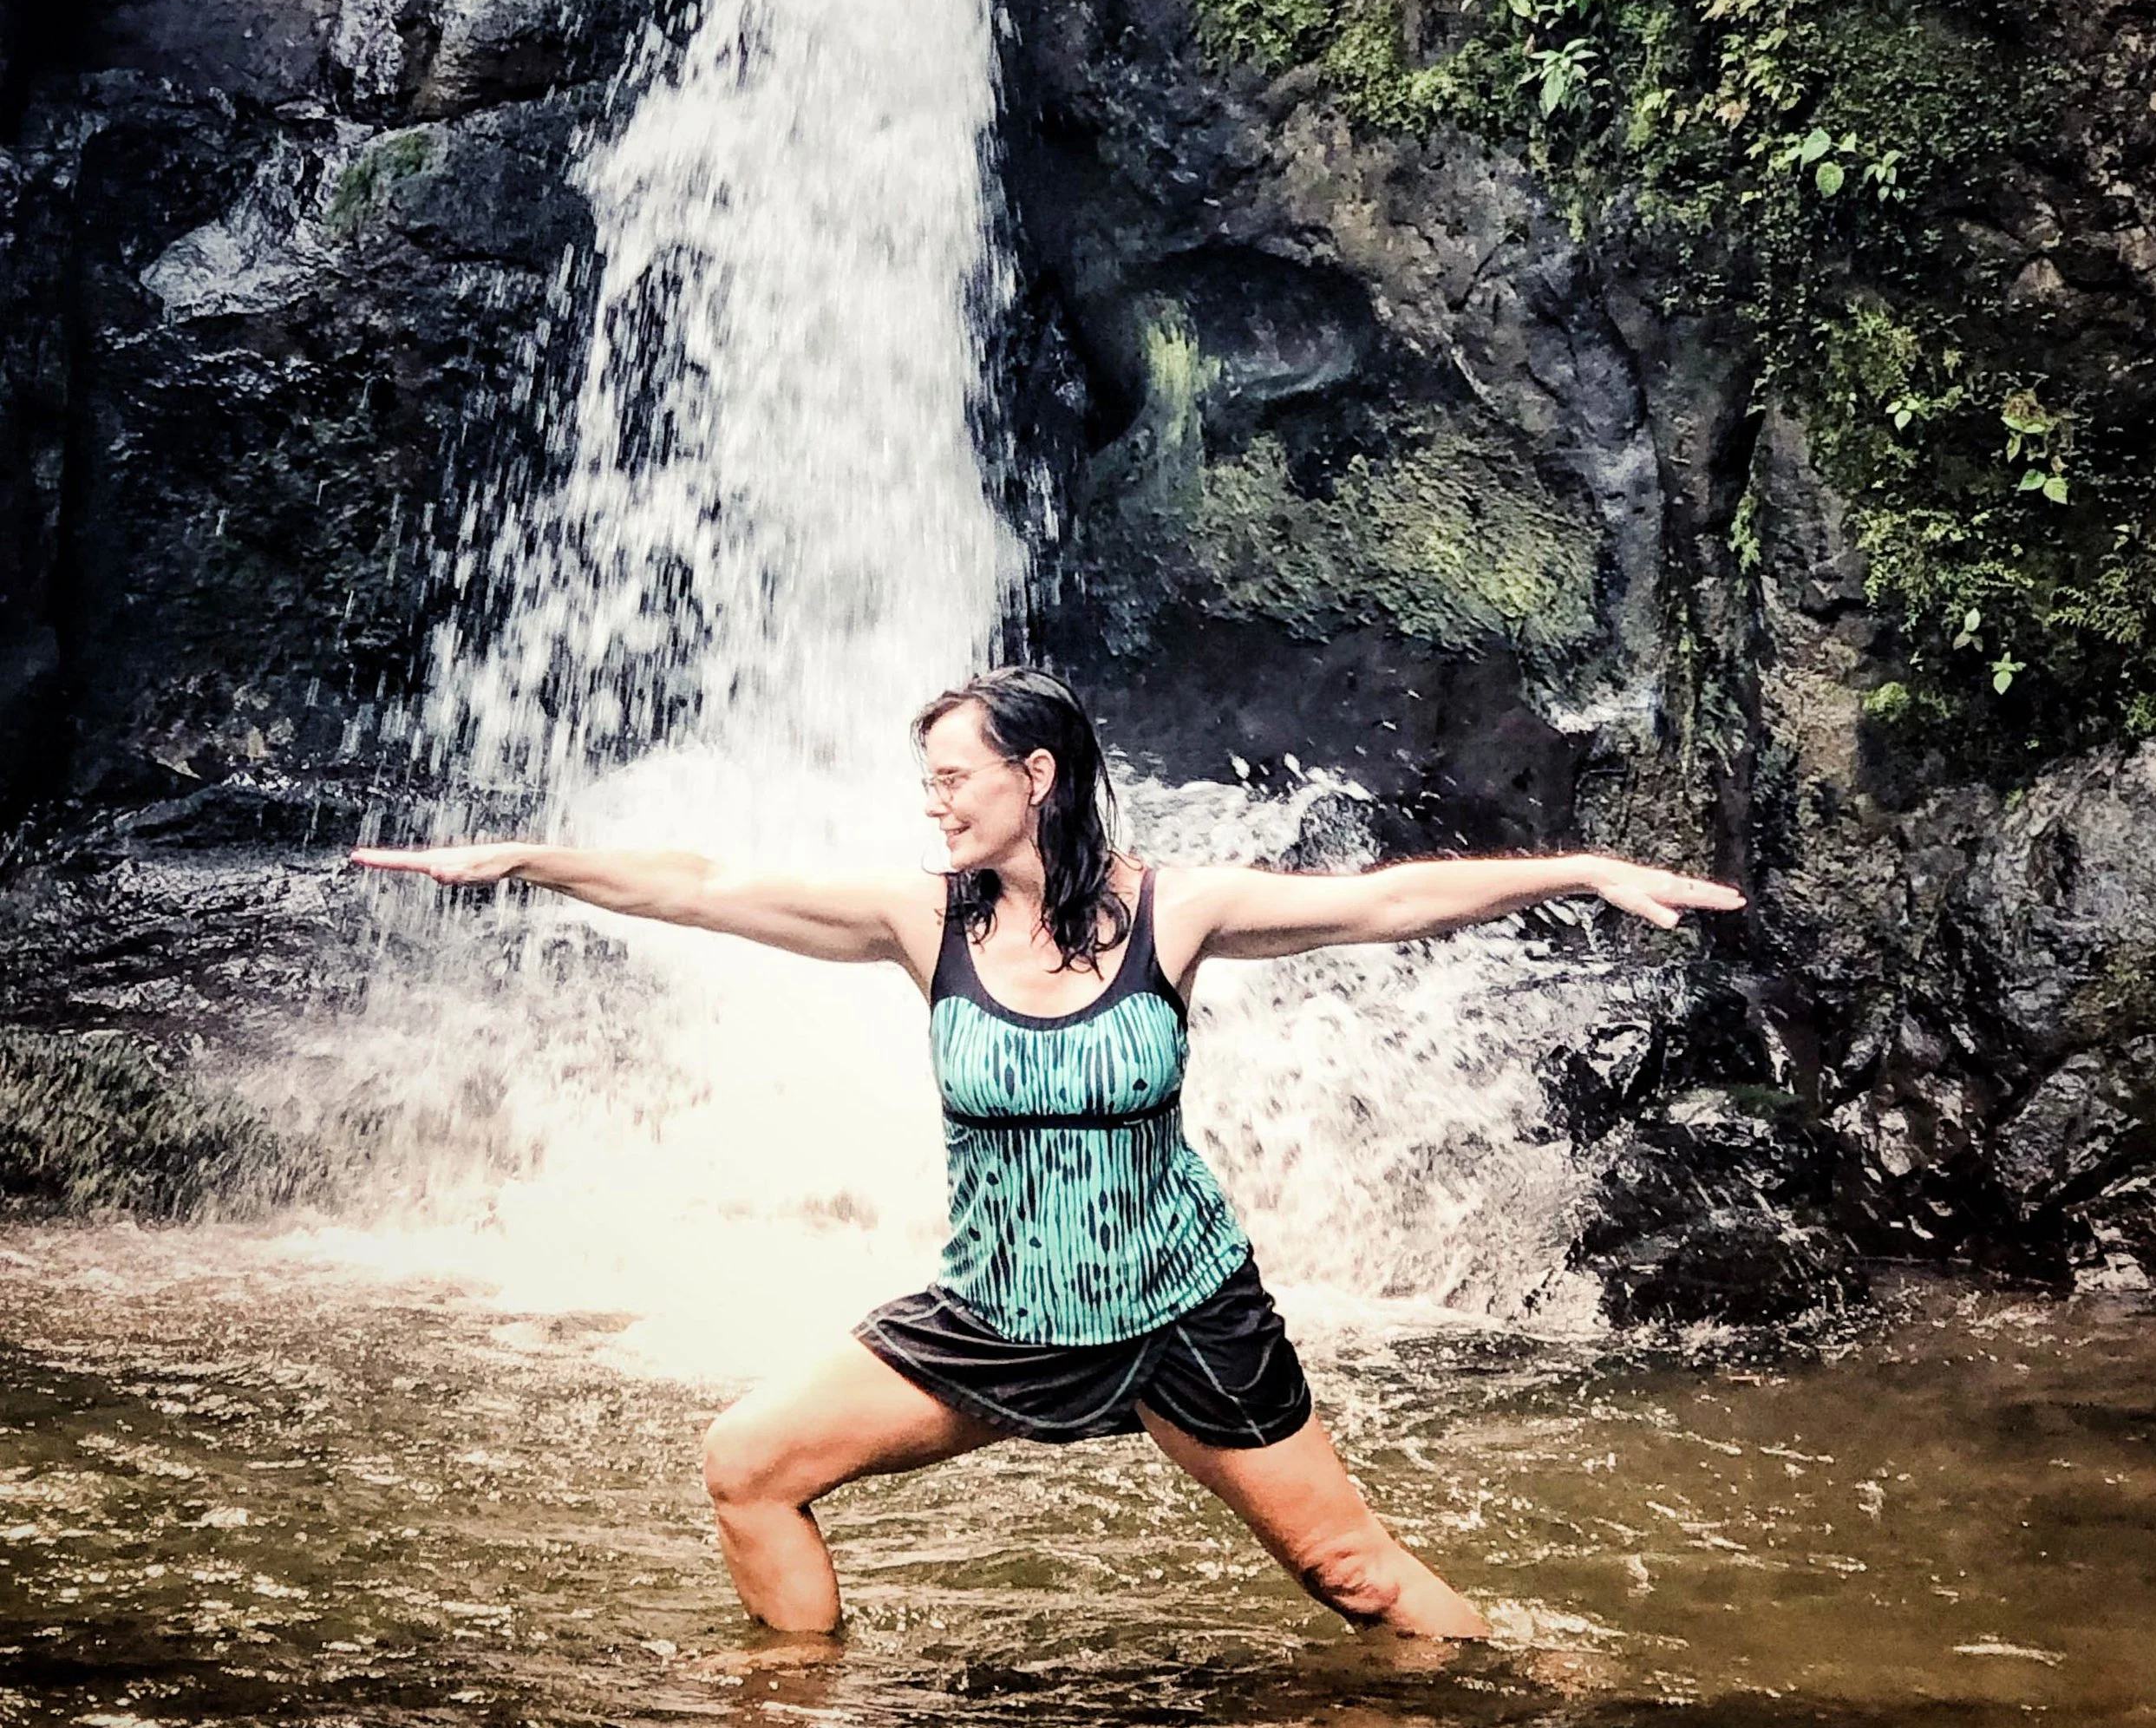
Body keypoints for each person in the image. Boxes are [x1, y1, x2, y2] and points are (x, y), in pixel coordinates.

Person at [353, 666, 1744, 1641]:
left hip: (1183, 1309)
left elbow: (1379, 905)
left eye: (953, 778)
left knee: (1354, 1575)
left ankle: (1542, 1694)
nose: (935, 804)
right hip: (1004, 1314)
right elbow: (713, 889)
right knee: (748, 1467)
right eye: (927, 782)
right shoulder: (924, 922)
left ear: (1037, 776)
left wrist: (1576, 871)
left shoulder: (1176, 913)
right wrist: (534, 860)